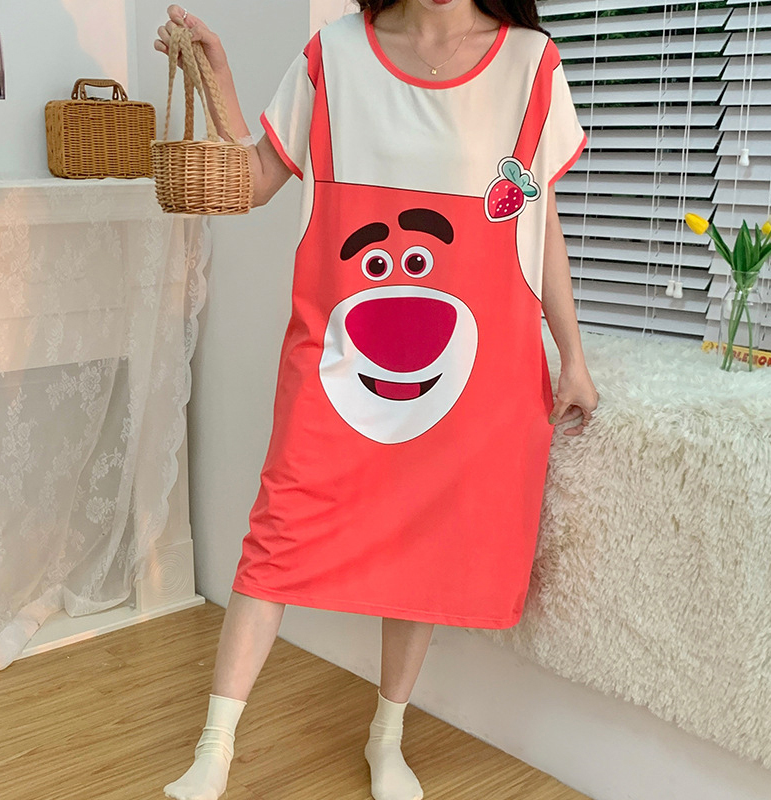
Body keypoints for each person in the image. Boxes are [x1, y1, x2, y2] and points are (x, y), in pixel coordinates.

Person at [155, 1, 599, 799]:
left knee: (424, 548)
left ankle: (386, 738)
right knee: (278, 537)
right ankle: (213, 748)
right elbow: (254, 180)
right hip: (337, 359)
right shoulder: (336, 55)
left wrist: (572, 355)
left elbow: (540, 221)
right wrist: (218, 78)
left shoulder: (529, 65)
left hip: (471, 371)